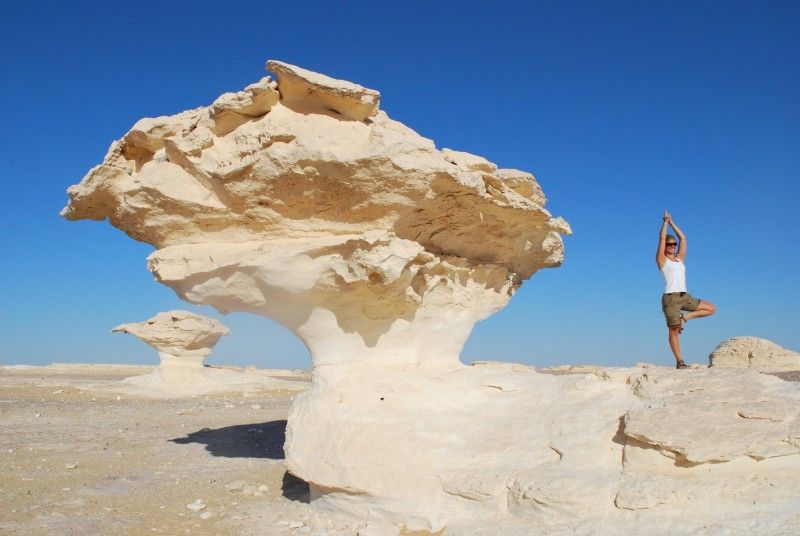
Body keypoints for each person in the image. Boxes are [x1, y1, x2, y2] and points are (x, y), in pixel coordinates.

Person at [656, 211, 716, 369]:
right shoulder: (662, 260)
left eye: (673, 244)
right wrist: (665, 223)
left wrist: (672, 222)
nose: (672, 246)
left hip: (685, 296)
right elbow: (662, 238)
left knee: (711, 308)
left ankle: (685, 318)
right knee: (673, 331)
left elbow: (683, 238)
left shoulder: (679, 259)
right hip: (671, 298)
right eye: (669, 245)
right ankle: (679, 361)